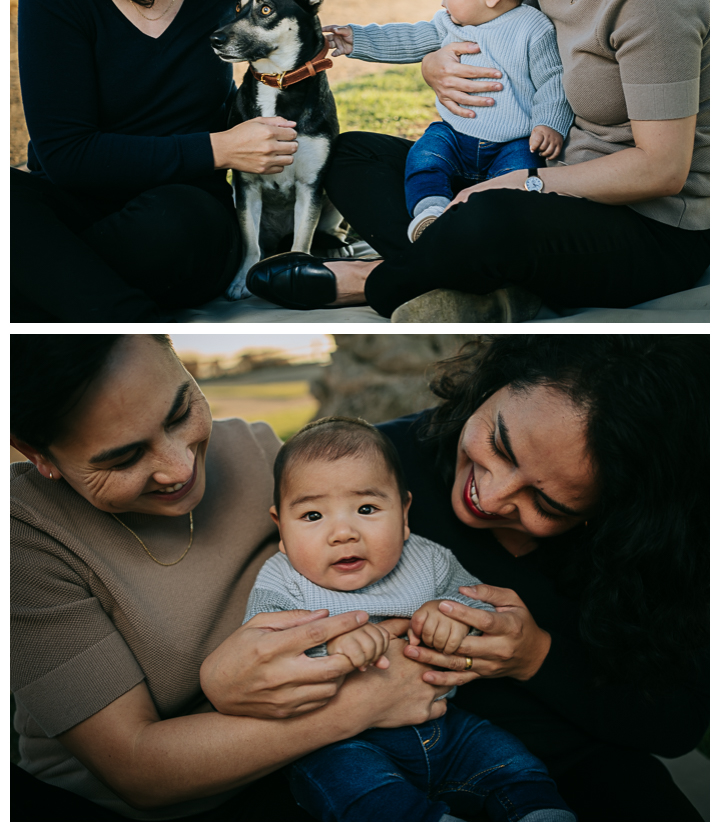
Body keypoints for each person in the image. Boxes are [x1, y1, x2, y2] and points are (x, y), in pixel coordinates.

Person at [246, 0, 709, 322]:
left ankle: (374, 280)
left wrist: (525, 185)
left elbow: (662, 169)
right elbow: (500, 35)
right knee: (353, 154)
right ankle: (470, 269)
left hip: (645, 226)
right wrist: (432, 65)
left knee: (488, 218)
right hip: (539, 176)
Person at [10, 335, 451, 821]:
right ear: (39, 456)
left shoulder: (256, 448)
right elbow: (137, 769)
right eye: (124, 458)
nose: (180, 468)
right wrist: (363, 704)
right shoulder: (23, 539)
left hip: (323, 759)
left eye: (180, 413)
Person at [377, 335, 708, 822]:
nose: (489, 499)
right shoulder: (375, 467)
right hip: (396, 778)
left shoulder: (649, 552)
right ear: (498, 379)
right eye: (499, 445)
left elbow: (675, 724)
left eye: (548, 504)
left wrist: (535, 656)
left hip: (587, 777)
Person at [11, 0, 300, 322]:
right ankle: (116, 316)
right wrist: (219, 149)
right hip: (78, 206)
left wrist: (432, 53)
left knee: (178, 225)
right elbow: (66, 155)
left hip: (182, 213)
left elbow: (304, 27)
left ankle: (61, 291)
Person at [245, 416, 575, 822]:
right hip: (342, 742)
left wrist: (452, 616)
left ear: (403, 515)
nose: (343, 532)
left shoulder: (428, 559)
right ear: (281, 528)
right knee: (354, 787)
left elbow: (482, 611)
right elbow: (262, 661)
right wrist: (326, 647)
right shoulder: (281, 581)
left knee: (507, 757)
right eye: (313, 516)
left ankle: (538, 813)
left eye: (366, 508)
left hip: (443, 724)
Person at [324, 0, 571, 243]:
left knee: (521, 172)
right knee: (426, 156)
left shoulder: (532, 29)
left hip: (513, 142)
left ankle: (488, 226)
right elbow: (408, 37)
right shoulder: (448, 24)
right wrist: (358, 39)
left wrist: (549, 123)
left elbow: (553, 80)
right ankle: (431, 211)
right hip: (456, 135)